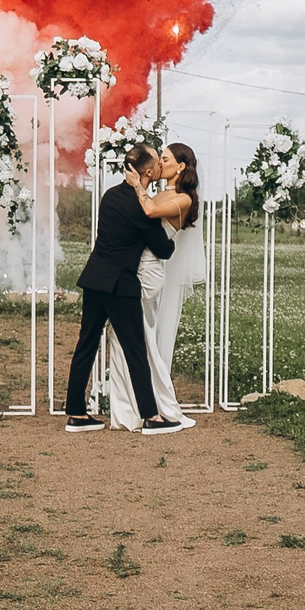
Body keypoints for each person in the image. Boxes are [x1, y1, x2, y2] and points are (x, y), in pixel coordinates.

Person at [65, 144, 188, 435]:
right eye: (157, 163)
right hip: (120, 285)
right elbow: (162, 249)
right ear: (148, 172)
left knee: (86, 344)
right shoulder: (140, 207)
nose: (160, 167)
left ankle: (76, 413)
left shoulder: (110, 195)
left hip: (94, 278)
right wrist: (172, 241)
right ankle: (152, 417)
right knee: (136, 350)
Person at [99, 142, 203, 428]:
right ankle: (130, 410)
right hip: (133, 269)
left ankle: (162, 407)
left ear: (180, 167)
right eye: (159, 160)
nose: (160, 164)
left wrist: (136, 184)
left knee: (140, 339)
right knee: (124, 338)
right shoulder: (160, 192)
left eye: (165, 159)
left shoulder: (183, 199)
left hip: (148, 272)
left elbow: (149, 212)